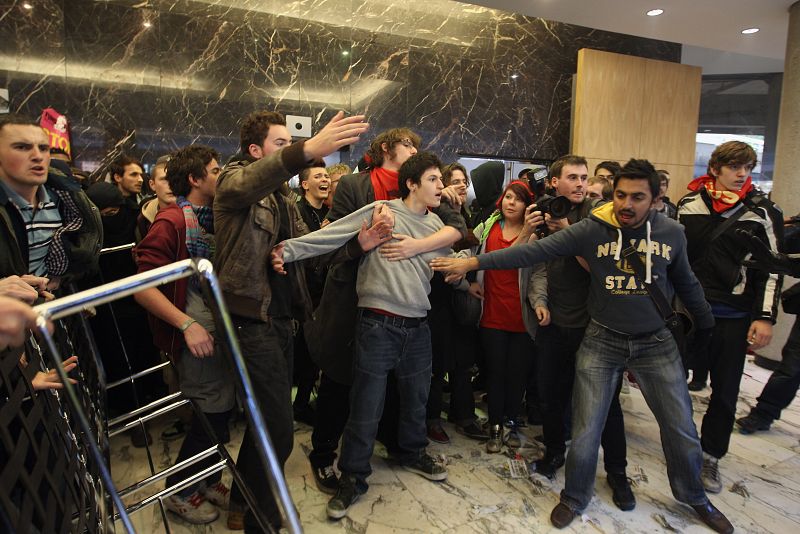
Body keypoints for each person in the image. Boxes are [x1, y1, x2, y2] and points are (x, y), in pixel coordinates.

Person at [431, 159, 734, 534]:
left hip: (655, 343)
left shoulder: (672, 233)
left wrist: (707, 329)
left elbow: (687, 283)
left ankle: (695, 497)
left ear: (655, 199)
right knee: (586, 427)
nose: (626, 204)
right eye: (621, 195)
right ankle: (575, 496)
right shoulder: (593, 229)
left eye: (637, 197)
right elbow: (530, 253)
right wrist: (473, 262)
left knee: (681, 427)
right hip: (603, 339)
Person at [273, 151, 453, 520]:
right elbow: (332, 235)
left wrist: (465, 274)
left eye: (441, 180)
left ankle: (413, 452)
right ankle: (353, 477)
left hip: (418, 326)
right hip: (378, 325)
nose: (441, 186)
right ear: (411, 184)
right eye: (433, 179)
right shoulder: (381, 211)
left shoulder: (437, 224)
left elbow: (447, 262)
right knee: (366, 405)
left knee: (416, 400)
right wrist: (286, 251)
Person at [213, 109, 370, 533]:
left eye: (290, 143)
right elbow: (248, 183)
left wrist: (359, 244)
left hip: (281, 319)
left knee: (266, 423)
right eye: (280, 144)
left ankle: (244, 503)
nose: (289, 149)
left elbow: (310, 250)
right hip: (248, 319)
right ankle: (262, 520)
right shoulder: (233, 180)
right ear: (254, 150)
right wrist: (308, 149)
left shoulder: (283, 200)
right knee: (280, 430)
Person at [303, 127, 466, 496]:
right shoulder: (356, 185)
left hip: (405, 301)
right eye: (408, 144)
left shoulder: (429, 191)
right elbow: (333, 242)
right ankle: (324, 453)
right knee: (341, 382)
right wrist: (364, 242)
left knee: (400, 388)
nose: (415, 149)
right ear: (386, 147)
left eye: (418, 145)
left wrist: (420, 238)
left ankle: (399, 446)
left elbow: (457, 229)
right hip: (353, 298)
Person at [134, 144, 235, 524]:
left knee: (221, 412)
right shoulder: (173, 221)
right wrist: (186, 325)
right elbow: (141, 286)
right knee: (210, 414)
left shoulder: (211, 217)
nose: (221, 175)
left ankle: (207, 479)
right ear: (194, 179)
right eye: (215, 170)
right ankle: (178, 490)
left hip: (216, 328)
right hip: (196, 333)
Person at [677, 140, 782, 494]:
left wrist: (764, 317)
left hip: (733, 314)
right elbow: (672, 257)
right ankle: (682, 445)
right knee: (672, 386)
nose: (741, 174)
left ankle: (711, 455)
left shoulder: (762, 212)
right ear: (715, 168)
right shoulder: (689, 204)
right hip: (689, 311)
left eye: (747, 168)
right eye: (735, 167)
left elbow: (771, 269)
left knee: (724, 391)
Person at [528, 155, 631, 514]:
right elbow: (536, 265)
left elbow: (604, 269)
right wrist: (539, 299)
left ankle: (618, 473)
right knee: (550, 396)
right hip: (554, 324)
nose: (580, 184)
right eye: (572, 177)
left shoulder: (599, 215)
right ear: (554, 182)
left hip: (595, 328)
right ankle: (554, 452)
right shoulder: (546, 211)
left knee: (607, 406)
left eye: (584, 178)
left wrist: (566, 233)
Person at [468, 180, 545, 452]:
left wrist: (539, 302)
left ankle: (512, 421)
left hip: (521, 315)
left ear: (527, 205)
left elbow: (539, 273)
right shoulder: (488, 227)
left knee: (517, 374)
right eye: (509, 197)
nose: (512, 203)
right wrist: (469, 282)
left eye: (519, 199)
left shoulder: (534, 235)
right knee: (495, 372)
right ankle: (495, 425)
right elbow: (469, 254)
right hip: (491, 311)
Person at [136, 154, 175, 241]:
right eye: (164, 179)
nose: (172, 185)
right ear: (152, 184)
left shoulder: (198, 215)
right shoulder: (143, 219)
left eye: (177, 179)